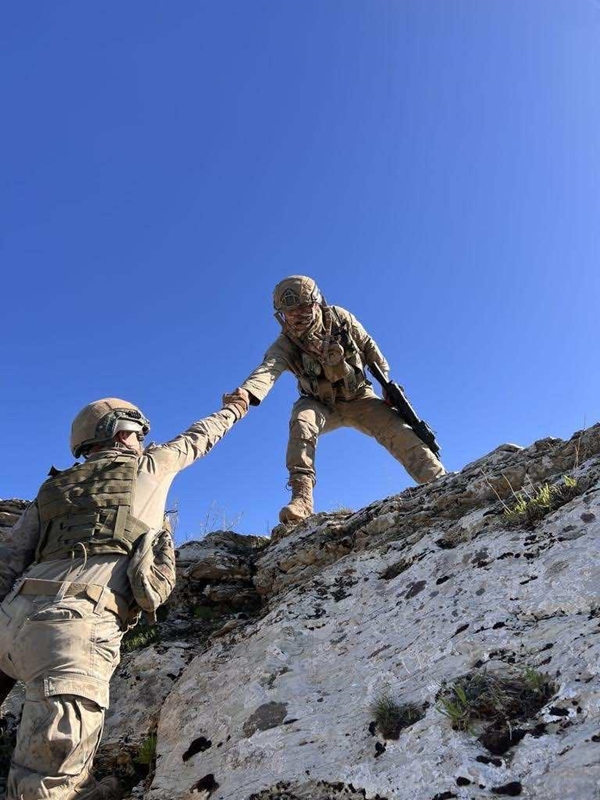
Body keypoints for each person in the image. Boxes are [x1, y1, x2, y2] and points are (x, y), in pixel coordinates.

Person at [0, 392, 248, 800]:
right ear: (123, 432)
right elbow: (203, 435)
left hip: (10, 621)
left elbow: (8, 561)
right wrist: (236, 406)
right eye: (139, 433)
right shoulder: (151, 466)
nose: (144, 441)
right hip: (72, 633)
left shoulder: (51, 489)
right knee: (44, 787)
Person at [227, 275, 445, 524]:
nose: (296, 315)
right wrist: (246, 393)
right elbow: (267, 370)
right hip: (319, 403)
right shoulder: (285, 344)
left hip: (359, 397)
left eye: (301, 307)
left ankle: (439, 481)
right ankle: (302, 499)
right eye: (289, 311)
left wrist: (387, 384)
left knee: (399, 431)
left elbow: (369, 348)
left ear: (316, 302)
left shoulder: (340, 318)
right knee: (302, 421)